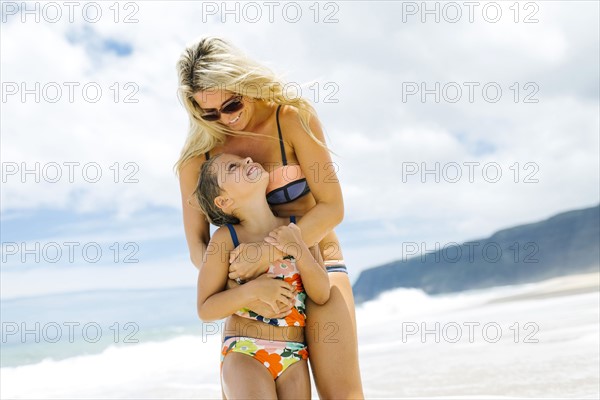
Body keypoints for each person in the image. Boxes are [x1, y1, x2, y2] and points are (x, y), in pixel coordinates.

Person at [175, 36, 364, 399]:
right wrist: (237, 289)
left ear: (244, 82)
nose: (224, 120)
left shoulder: (291, 119)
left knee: (344, 396)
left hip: (318, 269)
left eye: (231, 105)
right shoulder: (198, 157)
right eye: (208, 113)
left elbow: (332, 207)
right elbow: (198, 247)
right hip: (250, 295)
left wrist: (268, 253)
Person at [195, 152, 330, 399]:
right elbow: (206, 308)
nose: (247, 161)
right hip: (246, 350)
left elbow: (321, 294)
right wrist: (253, 291)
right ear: (223, 202)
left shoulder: (296, 226)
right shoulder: (226, 238)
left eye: (245, 159)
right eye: (234, 166)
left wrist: (299, 248)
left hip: (294, 354)